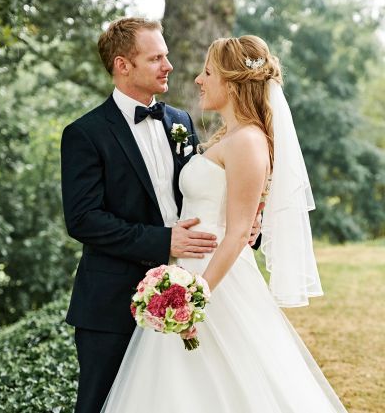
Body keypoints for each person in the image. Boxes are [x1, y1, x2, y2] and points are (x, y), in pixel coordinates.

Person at [101, 36, 346, 412]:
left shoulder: (247, 141)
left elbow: (235, 234)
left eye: (208, 72)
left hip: (216, 281)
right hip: (190, 271)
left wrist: (194, 297)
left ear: (231, 82)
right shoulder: (228, 137)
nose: (199, 79)